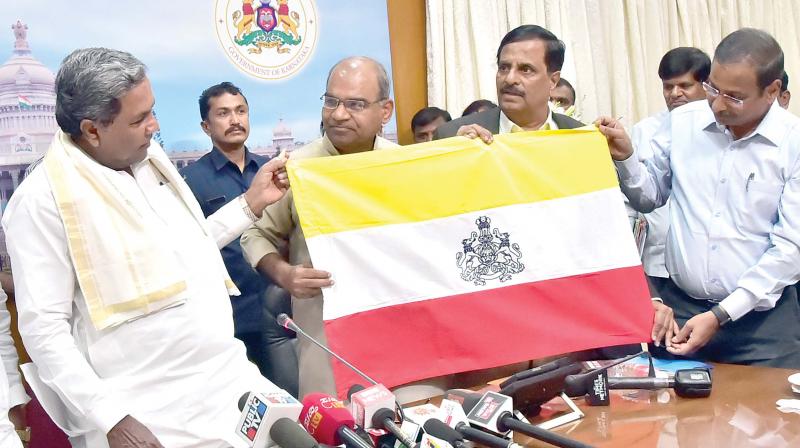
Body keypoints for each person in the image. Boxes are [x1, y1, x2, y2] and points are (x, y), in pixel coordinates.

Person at [2, 47, 289, 447]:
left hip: (227, 381)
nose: (154, 126)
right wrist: (112, 419)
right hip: (149, 415)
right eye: (139, 118)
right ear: (92, 129)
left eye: (152, 110)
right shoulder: (41, 202)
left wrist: (250, 204)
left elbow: (185, 252)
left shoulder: (148, 158)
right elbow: (43, 330)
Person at [598, 28, 800, 368]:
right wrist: (625, 156)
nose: (718, 105)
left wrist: (721, 314)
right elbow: (649, 196)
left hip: (762, 326)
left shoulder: (793, 144)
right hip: (682, 312)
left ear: (772, 90)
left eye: (734, 97)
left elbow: (789, 249)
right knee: (676, 416)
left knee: (772, 416)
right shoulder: (684, 123)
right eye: (713, 89)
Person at [240, 56, 397, 398]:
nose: (338, 114)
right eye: (331, 101)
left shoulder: (403, 165)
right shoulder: (296, 168)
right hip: (326, 337)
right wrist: (284, 274)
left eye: (355, 104)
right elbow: (255, 235)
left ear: (385, 111)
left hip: (395, 330)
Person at [180, 82, 298, 396]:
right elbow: (187, 250)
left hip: (285, 313)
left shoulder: (276, 171)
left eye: (240, 111)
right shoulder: (190, 181)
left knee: (294, 400)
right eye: (223, 113)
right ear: (206, 126)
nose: (235, 119)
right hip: (232, 321)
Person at [631, 47, 710, 314]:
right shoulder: (646, 130)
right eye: (668, 87)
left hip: (706, 264)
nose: (675, 94)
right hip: (657, 261)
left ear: (706, 85)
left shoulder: (722, 129)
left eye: (685, 86)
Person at [435, 25, 584, 141]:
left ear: (553, 81)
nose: (509, 79)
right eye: (504, 67)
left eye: (526, 69)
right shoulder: (452, 135)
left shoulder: (583, 139)